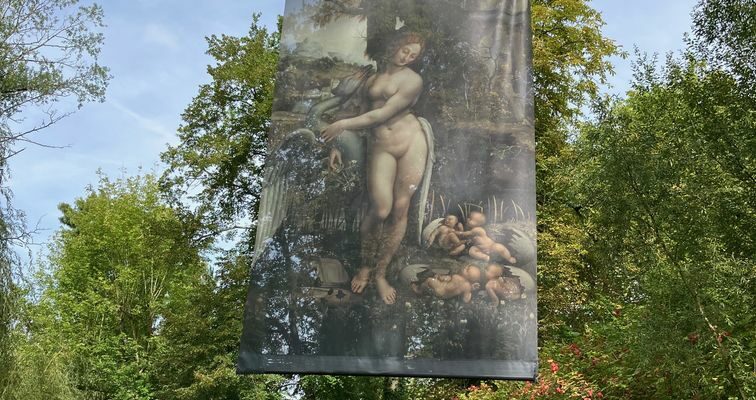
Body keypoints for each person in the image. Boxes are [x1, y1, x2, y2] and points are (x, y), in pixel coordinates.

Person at [321, 30, 429, 304]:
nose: (407, 57)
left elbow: (381, 114)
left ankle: (380, 274)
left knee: (400, 209)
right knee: (380, 208)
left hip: (411, 143)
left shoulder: (413, 80)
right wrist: (338, 144)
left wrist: (341, 125)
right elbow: (359, 112)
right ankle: (365, 266)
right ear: (395, 46)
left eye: (413, 55)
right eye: (405, 50)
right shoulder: (371, 79)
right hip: (381, 145)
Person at [411, 264, 482, 303]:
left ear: (468, 277)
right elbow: (466, 299)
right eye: (468, 266)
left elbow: (446, 279)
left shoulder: (456, 277)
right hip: (447, 296)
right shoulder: (467, 286)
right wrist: (471, 289)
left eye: (467, 270)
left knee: (429, 280)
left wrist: (439, 277)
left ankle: (419, 290)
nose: (465, 267)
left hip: (441, 290)